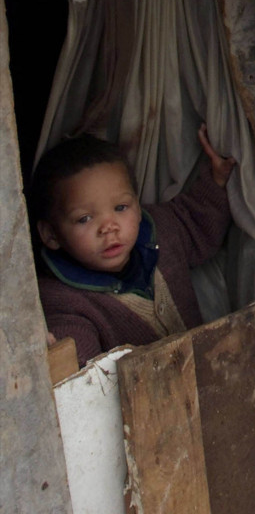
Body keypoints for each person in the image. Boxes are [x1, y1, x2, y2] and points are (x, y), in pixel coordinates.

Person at [29, 124, 235, 365]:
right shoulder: (61, 298)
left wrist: (216, 179)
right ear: (51, 234)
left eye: (120, 208)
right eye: (84, 219)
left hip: (213, 371)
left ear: (137, 207)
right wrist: (63, 358)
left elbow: (196, 219)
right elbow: (77, 354)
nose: (109, 227)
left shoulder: (162, 230)